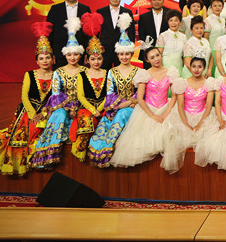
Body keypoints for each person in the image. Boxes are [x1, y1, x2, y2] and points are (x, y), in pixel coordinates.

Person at [0, 22, 53, 176]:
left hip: (48, 112)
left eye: (47, 57)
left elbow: (56, 97)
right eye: (41, 58)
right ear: (37, 61)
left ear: (53, 59)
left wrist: (45, 113)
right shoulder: (29, 75)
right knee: (21, 137)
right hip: (29, 112)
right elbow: (24, 96)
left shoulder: (56, 76)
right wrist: (33, 114)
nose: (45, 60)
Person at [87, 15, 148, 168]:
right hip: (116, 106)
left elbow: (141, 93)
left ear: (131, 54)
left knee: (122, 114)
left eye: (127, 53)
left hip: (133, 106)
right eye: (121, 54)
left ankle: (107, 149)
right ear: (117, 55)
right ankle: (99, 150)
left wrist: (129, 102)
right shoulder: (112, 72)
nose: (124, 57)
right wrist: (118, 104)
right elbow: (110, 93)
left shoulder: (138, 70)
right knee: (107, 121)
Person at [30, 17, 85, 170]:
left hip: (81, 106)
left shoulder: (85, 71)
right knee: (59, 114)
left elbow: (88, 93)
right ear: (65, 55)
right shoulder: (59, 72)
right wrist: (68, 107)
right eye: (69, 55)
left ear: (80, 55)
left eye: (75, 54)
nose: (72, 57)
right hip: (63, 106)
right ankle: (46, 155)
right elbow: (56, 94)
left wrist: (78, 106)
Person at [110, 47, 179, 167]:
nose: (156, 59)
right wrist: (153, 116)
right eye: (152, 57)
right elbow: (140, 98)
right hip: (148, 109)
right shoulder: (144, 74)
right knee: (141, 141)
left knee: (171, 134)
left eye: (157, 55)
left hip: (166, 107)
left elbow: (174, 96)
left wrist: (166, 113)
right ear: (147, 60)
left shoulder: (170, 72)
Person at [161, 57, 215, 173]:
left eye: (200, 67)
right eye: (194, 66)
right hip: (184, 115)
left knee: (206, 138)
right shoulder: (182, 83)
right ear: (189, 67)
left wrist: (200, 124)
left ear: (204, 68)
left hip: (202, 115)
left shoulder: (209, 83)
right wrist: (186, 124)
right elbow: (180, 106)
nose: (196, 69)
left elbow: (208, 107)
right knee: (176, 137)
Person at [72, 14, 107, 162]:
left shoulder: (107, 74)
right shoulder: (82, 74)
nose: (96, 61)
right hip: (87, 108)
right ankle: (82, 151)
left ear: (103, 59)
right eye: (93, 59)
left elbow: (109, 94)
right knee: (86, 120)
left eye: (99, 58)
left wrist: (100, 109)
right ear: (87, 59)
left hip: (104, 107)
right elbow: (80, 96)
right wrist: (93, 110)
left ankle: (100, 152)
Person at [47, 0, 91, 68]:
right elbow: (49, 32)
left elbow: (88, 32)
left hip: (79, 53)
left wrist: (87, 53)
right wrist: (50, 53)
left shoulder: (85, 9)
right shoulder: (55, 9)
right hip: (59, 53)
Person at [97, 0, 135, 70]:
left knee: (121, 71)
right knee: (105, 71)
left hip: (121, 49)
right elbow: (97, 30)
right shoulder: (101, 11)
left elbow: (131, 32)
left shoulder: (127, 12)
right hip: (105, 48)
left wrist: (131, 49)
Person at [204, 0, 226, 68]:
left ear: (222, 7)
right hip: (212, 48)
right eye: (215, 6)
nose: (217, 8)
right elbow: (205, 38)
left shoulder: (224, 20)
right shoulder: (208, 20)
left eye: (219, 6)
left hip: (223, 48)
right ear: (211, 7)